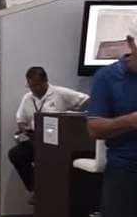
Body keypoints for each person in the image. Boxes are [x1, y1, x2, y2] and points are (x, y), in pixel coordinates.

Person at [87, 36, 137, 217]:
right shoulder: (108, 78)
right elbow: (94, 128)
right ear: (132, 43)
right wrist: (131, 121)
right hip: (126, 172)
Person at [9, 67, 89, 197]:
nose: (32, 89)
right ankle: (36, 187)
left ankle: (49, 190)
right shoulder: (27, 98)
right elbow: (21, 120)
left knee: (49, 156)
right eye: (30, 86)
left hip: (56, 140)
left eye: (35, 85)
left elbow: (86, 100)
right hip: (35, 137)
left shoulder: (60, 93)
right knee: (15, 154)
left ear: (45, 81)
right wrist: (25, 130)